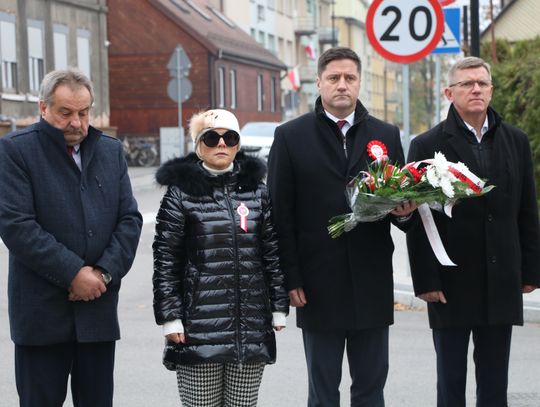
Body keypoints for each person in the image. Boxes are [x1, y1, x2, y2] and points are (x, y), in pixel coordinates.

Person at [267, 47, 416, 407]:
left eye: (349, 77)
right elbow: (278, 215)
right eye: (333, 78)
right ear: (318, 82)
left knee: (370, 389)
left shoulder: (387, 135)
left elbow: (403, 210)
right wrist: (291, 278)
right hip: (317, 284)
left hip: (371, 280)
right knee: (322, 392)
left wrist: (405, 213)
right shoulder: (290, 136)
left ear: (359, 82)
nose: (342, 85)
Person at [0, 68, 143, 406]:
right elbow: (17, 225)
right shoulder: (15, 151)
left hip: (97, 312)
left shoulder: (109, 151)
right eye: (65, 113)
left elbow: (129, 220)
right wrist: (73, 274)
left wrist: (102, 274)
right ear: (43, 108)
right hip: (41, 317)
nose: (76, 123)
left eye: (84, 112)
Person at [406, 57, 540, 407]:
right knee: (451, 382)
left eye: (482, 83)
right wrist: (426, 281)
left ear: (491, 90)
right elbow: (421, 221)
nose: (476, 89)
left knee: (495, 383)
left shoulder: (516, 141)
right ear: (449, 92)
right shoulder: (426, 145)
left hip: (501, 280)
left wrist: (530, 269)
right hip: (451, 282)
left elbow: (527, 209)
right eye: (467, 84)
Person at [152, 109, 289, 407]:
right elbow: (166, 259)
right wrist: (170, 317)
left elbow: (271, 251)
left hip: (250, 328)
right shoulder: (180, 194)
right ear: (198, 144)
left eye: (230, 138)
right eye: (212, 138)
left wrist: (278, 307)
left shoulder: (257, 192)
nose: (221, 145)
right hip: (198, 328)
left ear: (239, 144)